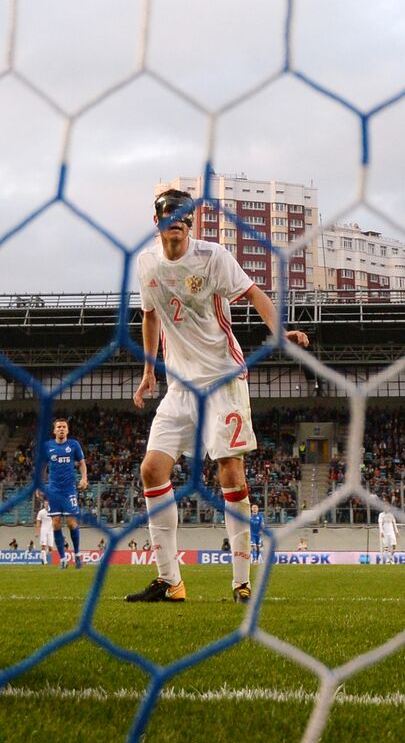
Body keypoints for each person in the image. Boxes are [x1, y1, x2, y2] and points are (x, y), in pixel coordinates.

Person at [126, 188, 310, 604]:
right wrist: (148, 372)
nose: (175, 219)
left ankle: (242, 581)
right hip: (179, 386)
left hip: (223, 379)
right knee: (152, 471)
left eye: (183, 214)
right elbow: (151, 316)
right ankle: (170, 582)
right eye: (167, 213)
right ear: (156, 221)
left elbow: (255, 294)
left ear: (192, 222)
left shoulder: (213, 258)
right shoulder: (145, 264)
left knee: (230, 473)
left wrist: (278, 332)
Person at [39, 417, 88, 570]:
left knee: (72, 522)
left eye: (64, 427)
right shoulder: (48, 446)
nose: (61, 429)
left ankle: (78, 554)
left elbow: (82, 463)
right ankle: (62, 558)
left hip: (69, 490)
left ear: (67, 430)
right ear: (54, 431)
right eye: (58, 427)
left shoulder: (73, 445)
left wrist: (84, 478)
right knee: (55, 523)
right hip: (53, 490)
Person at [35, 501, 55, 566]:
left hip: (51, 531)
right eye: (45, 504)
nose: (46, 505)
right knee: (43, 545)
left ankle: (43, 557)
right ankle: (45, 562)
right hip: (43, 530)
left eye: (47, 504)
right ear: (44, 504)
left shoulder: (52, 511)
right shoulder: (41, 512)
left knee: (50, 547)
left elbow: (55, 520)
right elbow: (38, 522)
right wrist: (37, 532)